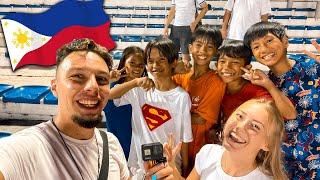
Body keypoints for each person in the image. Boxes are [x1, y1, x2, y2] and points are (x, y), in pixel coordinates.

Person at [0, 38, 173, 180]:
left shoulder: (111, 144)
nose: (93, 87)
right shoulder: (23, 149)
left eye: (101, 79)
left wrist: (151, 178)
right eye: (77, 77)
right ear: (54, 87)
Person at [244, 21, 320, 179]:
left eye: (269, 41)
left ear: (285, 41)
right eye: (256, 46)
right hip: (287, 165)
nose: (264, 49)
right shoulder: (263, 84)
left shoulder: (313, 67)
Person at [109, 37, 193, 176]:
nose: (155, 65)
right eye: (150, 61)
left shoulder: (181, 97)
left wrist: (185, 169)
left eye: (161, 60)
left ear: (173, 62)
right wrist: (135, 82)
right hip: (140, 168)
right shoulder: (140, 90)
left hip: (168, 167)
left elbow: (185, 139)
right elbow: (111, 94)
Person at [165, 99, 287, 180]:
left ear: (268, 144)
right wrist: (172, 170)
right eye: (239, 116)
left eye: (255, 126)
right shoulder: (208, 152)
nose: (239, 126)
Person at [172, 25, 225, 172]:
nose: (202, 51)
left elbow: (201, 118)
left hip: (199, 148)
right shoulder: (180, 76)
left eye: (209, 47)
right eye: (198, 45)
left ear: (215, 51)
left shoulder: (216, 81)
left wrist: (172, 114)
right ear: (190, 48)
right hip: (177, 146)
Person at [216, 39, 297, 122]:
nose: (226, 67)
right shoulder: (215, 85)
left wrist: (269, 85)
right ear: (216, 65)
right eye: (222, 61)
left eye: (235, 62)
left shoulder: (255, 91)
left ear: (247, 68)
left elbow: (290, 114)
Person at [104, 46, 146, 159]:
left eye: (141, 65)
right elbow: (108, 94)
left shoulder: (143, 88)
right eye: (132, 63)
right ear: (124, 63)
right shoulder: (113, 88)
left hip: (138, 148)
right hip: (118, 148)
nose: (137, 68)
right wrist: (107, 79)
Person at [163, 0, 209, 66]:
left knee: (185, 57)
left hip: (187, 28)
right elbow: (172, 11)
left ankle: (187, 74)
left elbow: (205, 7)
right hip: (175, 27)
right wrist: (166, 26)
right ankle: (175, 75)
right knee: (172, 54)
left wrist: (195, 23)